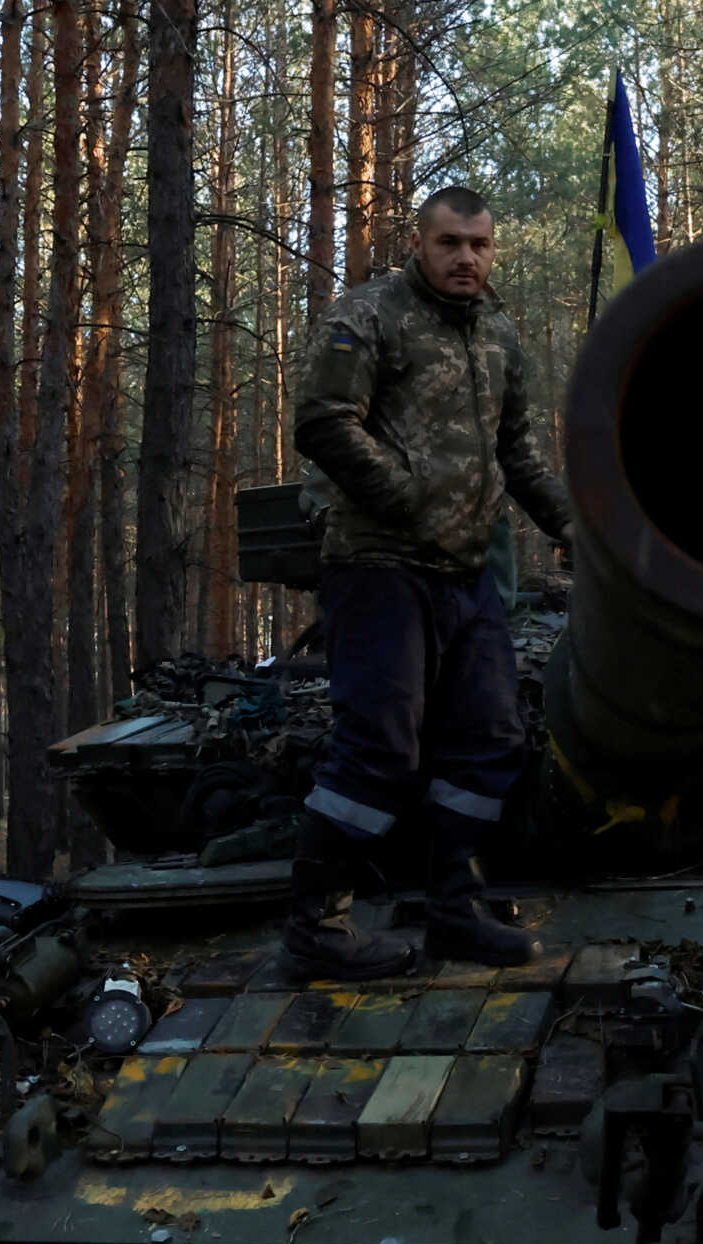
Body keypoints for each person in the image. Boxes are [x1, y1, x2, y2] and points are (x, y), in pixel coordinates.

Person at [286, 185, 577, 980]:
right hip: (378, 567)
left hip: (466, 574)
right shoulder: (368, 317)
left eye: (479, 245)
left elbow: (516, 455)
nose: (466, 258)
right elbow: (320, 419)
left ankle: (455, 909)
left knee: (490, 739)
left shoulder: (499, 336)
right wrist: (406, 493)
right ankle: (318, 927)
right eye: (450, 243)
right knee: (379, 748)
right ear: (418, 244)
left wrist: (574, 528)